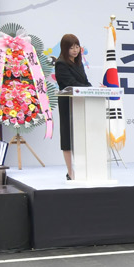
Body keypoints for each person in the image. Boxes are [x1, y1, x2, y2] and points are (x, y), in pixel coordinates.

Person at [52, 33, 92, 181]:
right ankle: (70, 172)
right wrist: (87, 88)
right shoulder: (61, 63)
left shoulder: (79, 63)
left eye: (77, 47)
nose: (75, 50)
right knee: (68, 138)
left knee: (80, 137)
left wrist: (93, 89)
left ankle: (82, 169)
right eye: (71, 48)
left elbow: (85, 81)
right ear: (65, 48)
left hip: (80, 103)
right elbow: (70, 83)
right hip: (68, 103)